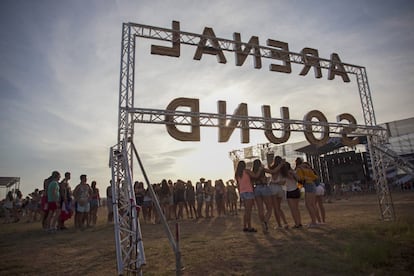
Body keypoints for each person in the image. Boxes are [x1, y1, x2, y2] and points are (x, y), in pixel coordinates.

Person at [265, 156, 289, 229]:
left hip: (273, 188)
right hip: (280, 189)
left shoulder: (274, 169)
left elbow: (272, 171)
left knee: (276, 208)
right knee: (279, 207)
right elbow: (283, 182)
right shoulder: (283, 170)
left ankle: (279, 225)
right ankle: (285, 223)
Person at [295, 158, 319, 228]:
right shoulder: (307, 168)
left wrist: (299, 187)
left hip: (308, 185)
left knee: (308, 205)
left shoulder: (299, 169)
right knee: (313, 204)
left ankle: (313, 222)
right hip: (312, 184)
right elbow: (315, 177)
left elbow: (300, 179)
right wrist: (309, 178)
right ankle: (315, 220)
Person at [235, 160, 257, 232]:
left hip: (242, 192)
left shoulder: (237, 174)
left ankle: (245, 226)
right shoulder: (246, 171)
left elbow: (238, 185)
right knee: (248, 211)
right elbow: (255, 176)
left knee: (246, 211)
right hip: (248, 191)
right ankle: (249, 226)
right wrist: (260, 170)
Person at [251, 159, 273, 233]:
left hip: (256, 188)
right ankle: (265, 222)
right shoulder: (262, 169)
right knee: (269, 208)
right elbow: (272, 172)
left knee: (260, 209)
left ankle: (263, 226)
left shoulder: (252, 172)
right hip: (264, 187)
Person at [280, 162, 302, 228]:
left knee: (293, 209)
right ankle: (299, 222)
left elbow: (282, 183)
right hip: (296, 190)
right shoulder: (293, 172)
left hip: (290, 191)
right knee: (297, 208)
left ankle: (296, 223)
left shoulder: (284, 174)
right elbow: (299, 179)